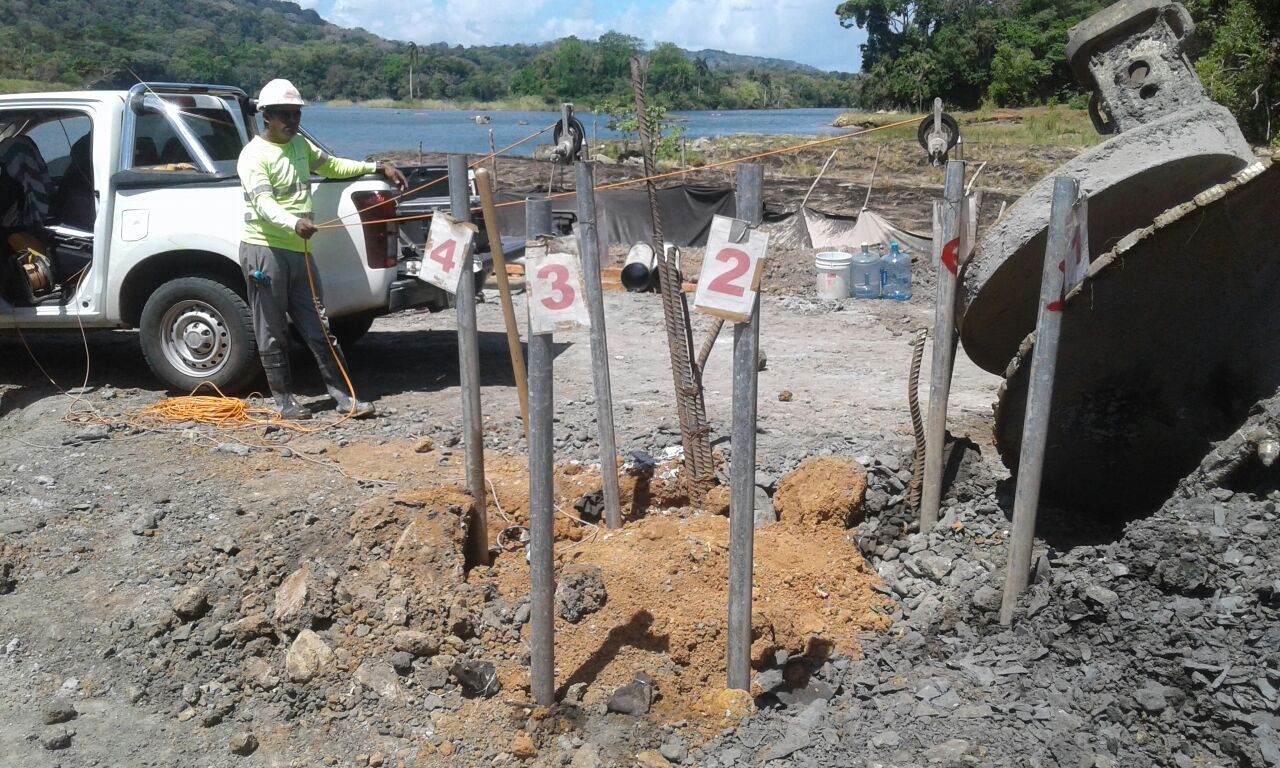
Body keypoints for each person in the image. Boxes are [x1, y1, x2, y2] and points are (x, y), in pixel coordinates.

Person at [238, 78, 407, 419]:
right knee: (271, 330)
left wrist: (376, 167)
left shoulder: (300, 145)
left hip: (299, 251)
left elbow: (331, 165)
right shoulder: (253, 156)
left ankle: (344, 397)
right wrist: (293, 223)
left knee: (319, 327)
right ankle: (285, 401)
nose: (292, 121)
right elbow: (263, 202)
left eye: (296, 114)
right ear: (266, 116)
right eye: (284, 114)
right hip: (264, 251)